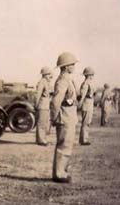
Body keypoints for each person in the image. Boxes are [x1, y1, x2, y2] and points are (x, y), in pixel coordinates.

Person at [50, 52, 78, 183]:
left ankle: (62, 171)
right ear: (66, 66)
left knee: (67, 145)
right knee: (64, 145)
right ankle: (59, 174)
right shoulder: (62, 80)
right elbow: (56, 101)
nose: (74, 66)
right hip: (64, 117)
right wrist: (54, 118)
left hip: (69, 116)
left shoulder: (67, 79)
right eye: (72, 64)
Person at [34, 66, 53, 146]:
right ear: (44, 74)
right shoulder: (42, 82)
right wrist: (36, 104)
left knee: (44, 123)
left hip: (46, 105)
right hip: (42, 105)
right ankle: (41, 140)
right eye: (48, 74)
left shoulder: (46, 82)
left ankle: (42, 139)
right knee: (41, 123)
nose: (50, 76)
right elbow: (38, 94)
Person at [77, 67, 95, 145]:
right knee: (85, 123)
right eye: (91, 74)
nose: (92, 76)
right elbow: (83, 95)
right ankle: (84, 140)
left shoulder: (89, 83)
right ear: (88, 75)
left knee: (87, 122)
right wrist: (79, 105)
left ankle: (84, 139)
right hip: (86, 104)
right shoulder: (86, 84)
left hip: (89, 104)